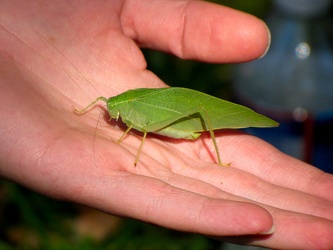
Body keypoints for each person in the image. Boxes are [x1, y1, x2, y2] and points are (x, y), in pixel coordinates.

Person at [0, 0, 332, 249]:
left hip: (176, 122)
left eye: (116, 111)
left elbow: (139, 127)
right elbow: (106, 102)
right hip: (158, 114)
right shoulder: (117, 104)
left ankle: (220, 154)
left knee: (199, 113)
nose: (110, 113)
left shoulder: (131, 111)